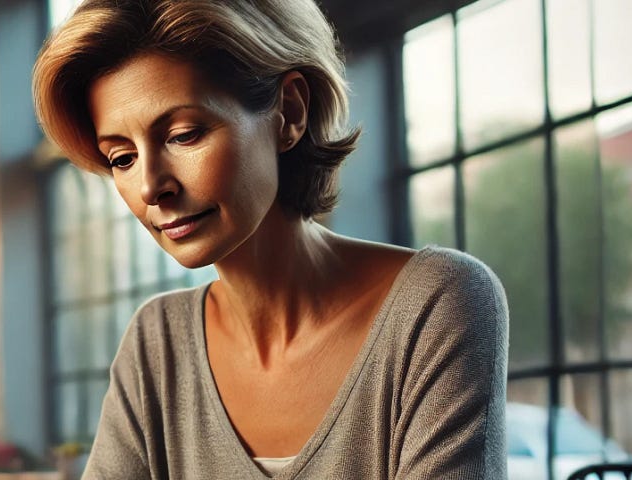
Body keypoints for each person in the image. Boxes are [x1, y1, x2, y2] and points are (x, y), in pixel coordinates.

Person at [31, 1, 509, 478]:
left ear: (291, 112)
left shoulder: (437, 303)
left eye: (184, 134)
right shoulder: (156, 344)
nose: (151, 186)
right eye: (122, 158)